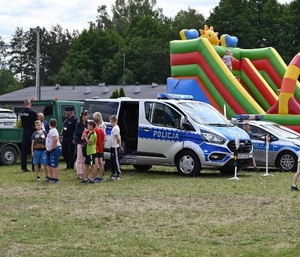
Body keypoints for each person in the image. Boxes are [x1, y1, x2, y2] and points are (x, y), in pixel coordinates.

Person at [19, 99, 38, 172]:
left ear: (24, 104)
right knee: (34, 149)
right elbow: (36, 122)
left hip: (25, 132)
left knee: (24, 151)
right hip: (32, 132)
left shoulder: (21, 112)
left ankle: (24, 167)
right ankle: (34, 167)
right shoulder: (33, 113)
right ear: (30, 104)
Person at [73, 110, 90, 180]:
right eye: (87, 115)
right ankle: (79, 172)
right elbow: (77, 132)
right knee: (80, 157)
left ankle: (83, 172)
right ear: (83, 116)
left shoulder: (87, 123)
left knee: (84, 158)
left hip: (85, 142)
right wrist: (84, 131)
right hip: (80, 142)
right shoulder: (79, 123)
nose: (88, 117)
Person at [45, 118, 62, 183]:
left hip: (54, 149)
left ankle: (56, 178)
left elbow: (55, 140)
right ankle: (51, 177)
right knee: (48, 164)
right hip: (50, 150)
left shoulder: (54, 131)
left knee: (54, 164)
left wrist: (50, 149)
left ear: (49, 124)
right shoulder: (51, 131)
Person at [93, 112, 106, 182]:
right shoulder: (102, 130)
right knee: (101, 162)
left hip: (95, 148)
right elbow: (104, 138)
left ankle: (94, 177)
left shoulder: (95, 130)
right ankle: (101, 176)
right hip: (100, 147)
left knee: (95, 163)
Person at [109, 115, 122, 180]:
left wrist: (119, 144)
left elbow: (118, 137)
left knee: (116, 160)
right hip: (112, 146)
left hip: (115, 146)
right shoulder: (114, 128)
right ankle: (113, 173)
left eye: (110, 121)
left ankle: (118, 173)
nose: (110, 123)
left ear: (113, 121)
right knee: (113, 160)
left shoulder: (115, 128)